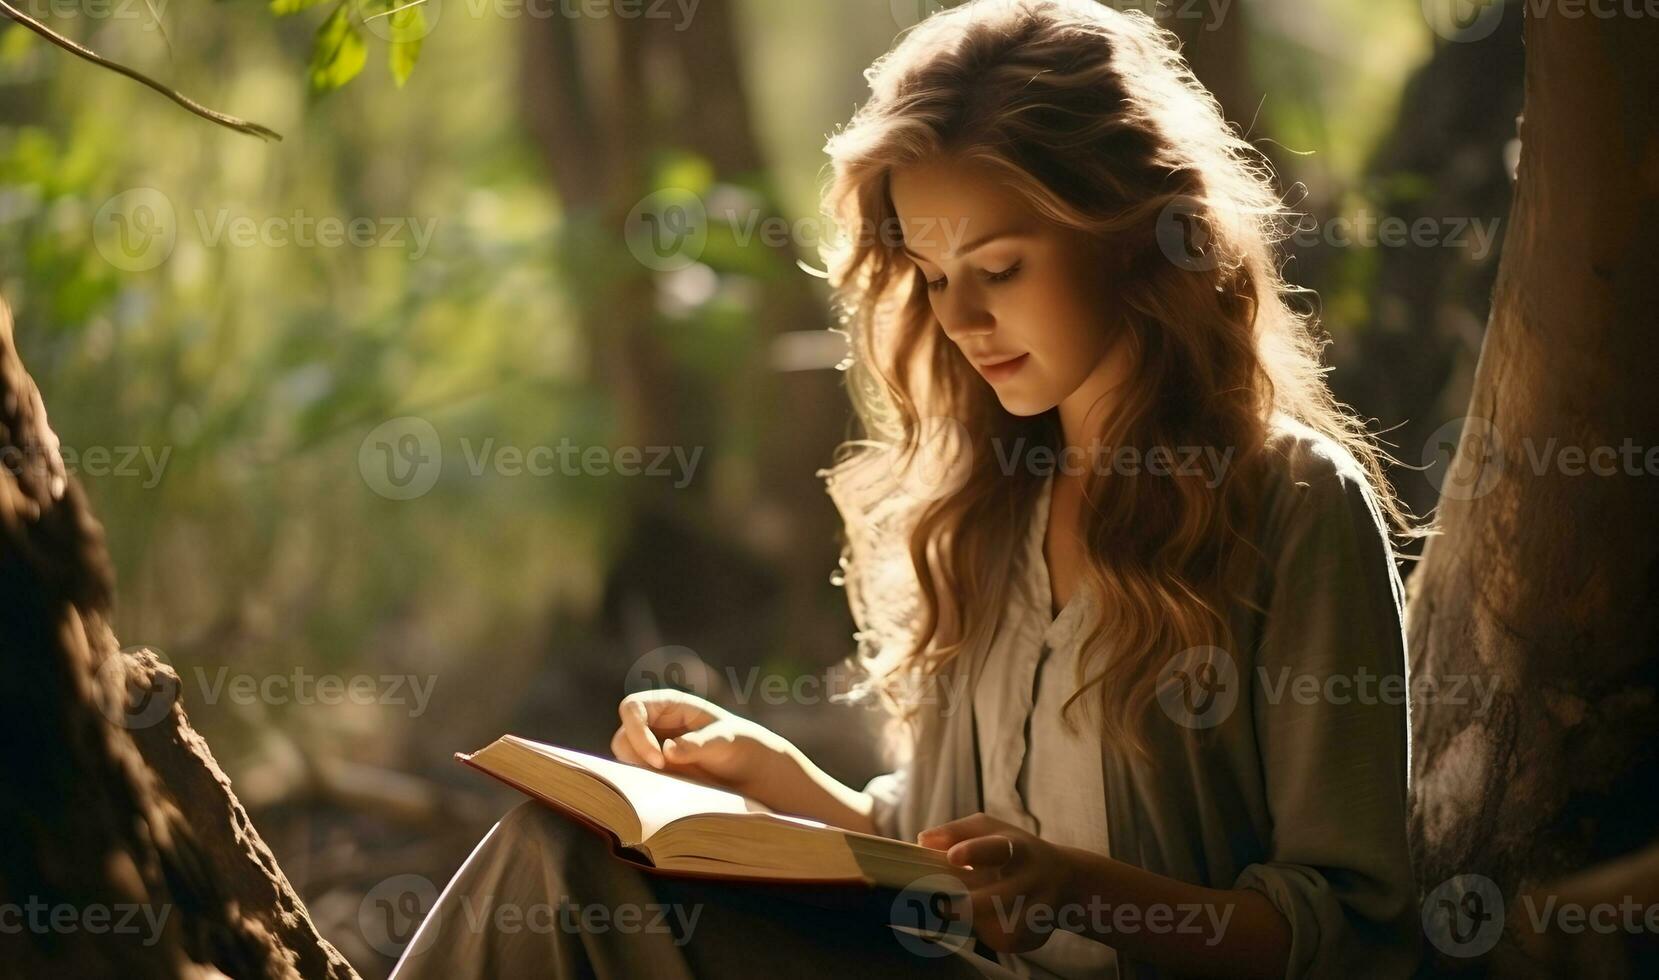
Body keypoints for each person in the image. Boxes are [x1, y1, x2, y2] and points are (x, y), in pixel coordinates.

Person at [391, 0, 1421, 976]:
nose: (962, 318)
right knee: (560, 844)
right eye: (931, 277)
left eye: (1001, 267)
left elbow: (1350, 928)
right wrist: (768, 771)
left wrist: (1082, 891)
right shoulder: (985, 504)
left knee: (574, 887)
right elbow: (931, 850)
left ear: (1131, 233)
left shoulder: (1293, 506)